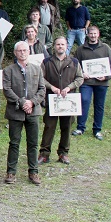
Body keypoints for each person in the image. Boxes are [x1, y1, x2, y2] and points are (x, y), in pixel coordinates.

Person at [2, 41, 46, 186]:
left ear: (29, 52)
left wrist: (31, 102)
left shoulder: (37, 69)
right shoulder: (8, 70)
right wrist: (22, 102)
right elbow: (7, 90)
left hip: (33, 111)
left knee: (33, 143)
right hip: (15, 112)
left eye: (25, 50)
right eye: (19, 51)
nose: (22, 53)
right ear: (15, 53)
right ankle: (11, 171)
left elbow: (42, 89)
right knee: (14, 142)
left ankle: (33, 172)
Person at [40, 37, 84, 165]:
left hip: (68, 100)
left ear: (66, 46)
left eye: (62, 44)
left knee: (66, 127)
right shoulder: (46, 62)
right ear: (54, 46)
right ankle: (44, 154)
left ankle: (63, 153)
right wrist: (51, 87)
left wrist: (69, 87)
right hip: (51, 100)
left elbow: (80, 78)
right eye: (58, 44)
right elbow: (40, 78)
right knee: (49, 127)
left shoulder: (74, 62)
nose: (60, 46)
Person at [73, 25, 111, 140]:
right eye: (91, 33)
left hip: (101, 83)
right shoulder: (81, 49)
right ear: (87, 34)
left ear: (98, 34)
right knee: (84, 102)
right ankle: (80, 127)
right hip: (86, 82)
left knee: (99, 105)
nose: (93, 35)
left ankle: (97, 130)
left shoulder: (105, 48)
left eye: (95, 33)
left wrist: (106, 76)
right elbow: (75, 64)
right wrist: (81, 73)